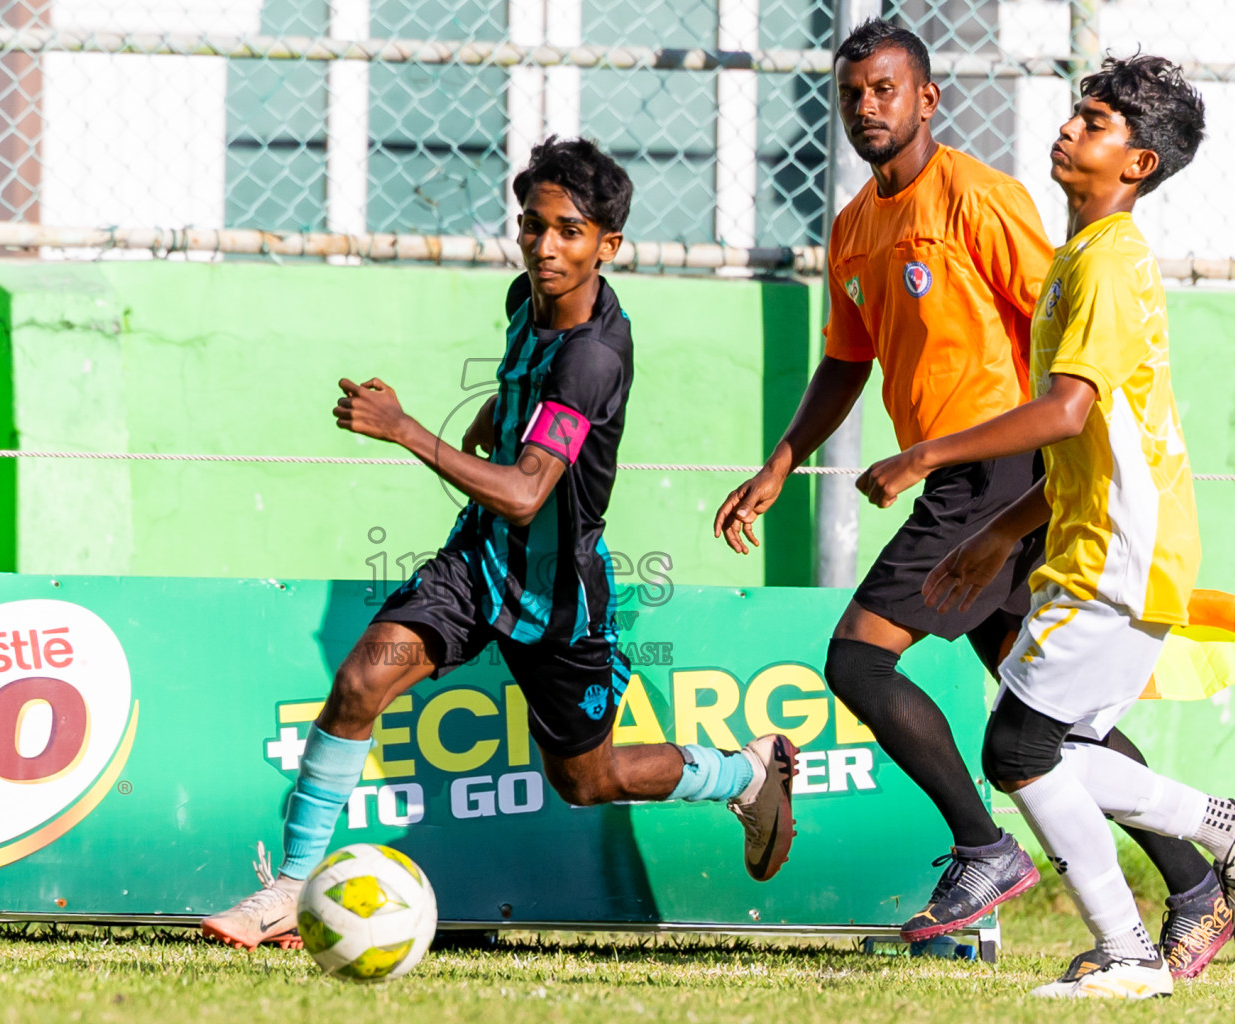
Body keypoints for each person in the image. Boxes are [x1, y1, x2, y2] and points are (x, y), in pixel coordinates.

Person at [711, 18, 1229, 971]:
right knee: (1058, 728)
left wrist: (963, 471)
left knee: (859, 660)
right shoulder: (854, 227)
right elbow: (844, 360)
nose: (867, 107)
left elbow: (1067, 360)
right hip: (986, 483)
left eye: (886, 89)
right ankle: (1197, 885)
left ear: (926, 99)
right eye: (853, 90)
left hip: (993, 472)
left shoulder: (983, 200)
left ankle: (986, 849)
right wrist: (782, 461)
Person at [201, 137, 799, 951]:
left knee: (587, 780)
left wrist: (406, 429)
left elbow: (525, 493)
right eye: (532, 225)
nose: (545, 247)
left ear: (608, 246)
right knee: (356, 684)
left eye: (569, 232)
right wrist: (488, 428)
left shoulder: (593, 357)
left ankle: (747, 772)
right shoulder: (528, 296)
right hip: (475, 564)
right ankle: (292, 889)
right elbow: (514, 398)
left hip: (558, 597)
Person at [859, 54, 1235, 999]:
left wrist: (927, 456)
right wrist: (1003, 531)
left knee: (1018, 748)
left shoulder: (1111, 264)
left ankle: (1133, 950)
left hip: (1120, 550)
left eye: (1094, 123)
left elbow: (1064, 413)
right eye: (1077, 114)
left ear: (1137, 164)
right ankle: (1229, 828)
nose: (1069, 130)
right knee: (1051, 751)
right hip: (1097, 538)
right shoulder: (1080, 260)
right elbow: (1078, 448)